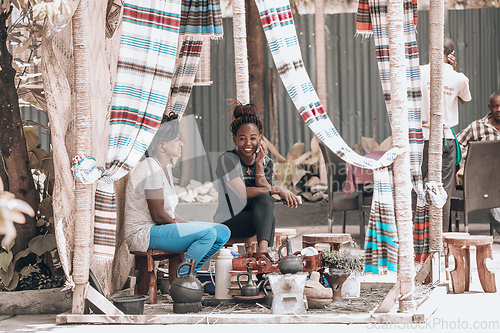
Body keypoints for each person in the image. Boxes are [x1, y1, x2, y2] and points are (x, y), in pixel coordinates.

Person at [124, 113, 230, 274]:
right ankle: (184, 279)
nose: (181, 144)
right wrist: (184, 230)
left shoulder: (164, 167)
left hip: (160, 229)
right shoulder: (150, 168)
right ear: (162, 145)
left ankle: (190, 273)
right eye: (176, 140)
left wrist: (185, 223)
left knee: (222, 232)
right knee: (208, 234)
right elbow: (158, 215)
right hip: (144, 233)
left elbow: (168, 211)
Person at [213, 102, 300, 253]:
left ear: (260, 139)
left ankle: (262, 255)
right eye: (242, 138)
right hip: (228, 221)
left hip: (255, 220)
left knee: (265, 200)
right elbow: (242, 193)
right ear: (234, 140)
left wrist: (259, 163)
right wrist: (278, 189)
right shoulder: (227, 159)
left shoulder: (266, 161)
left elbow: (264, 190)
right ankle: (264, 257)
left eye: (253, 138)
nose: (248, 143)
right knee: (268, 207)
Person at [420, 37, 472, 231]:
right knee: (442, 190)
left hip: (421, 139)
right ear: (451, 54)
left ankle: (414, 234)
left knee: (414, 187)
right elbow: (465, 100)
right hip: (445, 139)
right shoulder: (459, 78)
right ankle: (440, 237)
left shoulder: (419, 71)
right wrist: (454, 69)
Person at [456, 91, 500, 238]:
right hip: (485, 179)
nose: (499, 109)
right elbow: (457, 145)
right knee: (494, 194)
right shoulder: (477, 127)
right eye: (495, 106)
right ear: (490, 107)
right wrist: (462, 161)